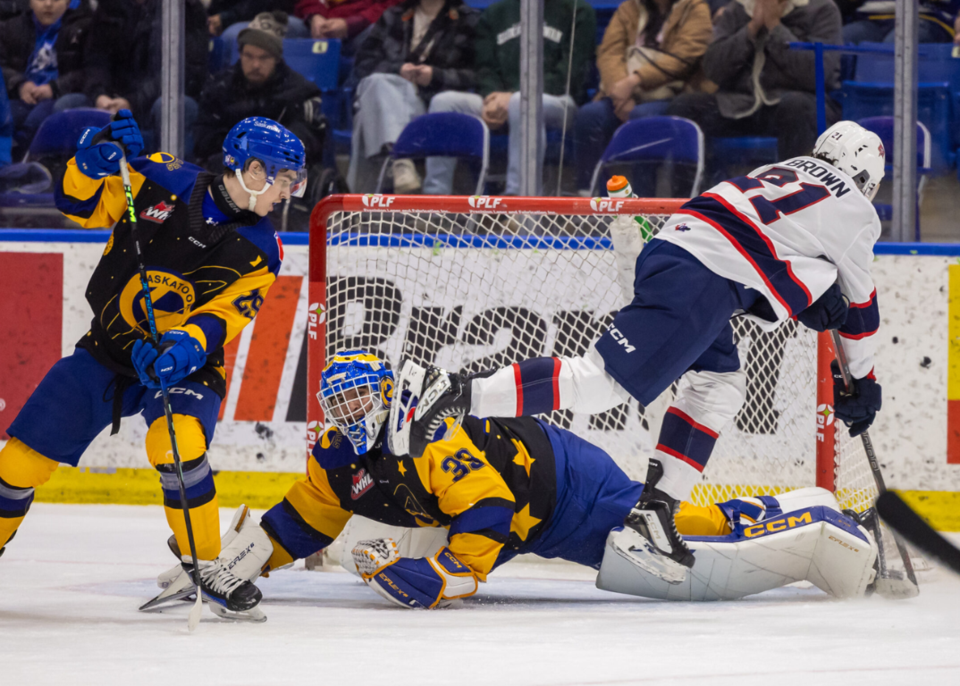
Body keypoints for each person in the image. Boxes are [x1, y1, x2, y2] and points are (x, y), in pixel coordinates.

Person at [391, 119, 886, 585]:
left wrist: (811, 290)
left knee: (719, 385)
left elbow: (776, 245)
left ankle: (656, 509)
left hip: (677, 250)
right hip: (707, 277)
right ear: (864, 177)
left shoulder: (780, 171)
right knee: (601, 383)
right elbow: (861, 308)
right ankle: (453, 392)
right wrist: (863, 382)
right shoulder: (857, 210)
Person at [152, 350, 879, 610]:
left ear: (382, 397)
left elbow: (490, 511)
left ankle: (821, 519)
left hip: (568, 492)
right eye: (335, 404)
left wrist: (453, 578)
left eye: (357, 400)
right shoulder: (339, 453)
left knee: (680, 558)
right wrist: (230, 566)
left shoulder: (429, 435)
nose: (345, 414)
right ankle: (805, 515)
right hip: (530, 506)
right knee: (371, 543)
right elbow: (305, 516)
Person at [0, 113, 306, 619]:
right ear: (254, 171)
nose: (288, 192)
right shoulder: (159, 178)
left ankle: (206, 564)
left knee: (176, 444)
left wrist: (180, 350)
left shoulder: (261, 249)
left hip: (184, 367)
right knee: (17, 465)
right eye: (284, 179)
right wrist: (89, 162)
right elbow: (77, 205)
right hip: (107, 351)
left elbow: (222, 318)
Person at [422, 0, 596, 196]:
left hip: (560, 101)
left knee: (521, 102)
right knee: (445, 102)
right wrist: (491, 98)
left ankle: (519, 200)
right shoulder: (496, 12)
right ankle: (434, 199)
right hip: (503, 99)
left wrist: (512, 95)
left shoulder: (578, 11)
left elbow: (570, 74)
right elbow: (485, 66)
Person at [666, 0, 842, 163]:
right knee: (684, 106)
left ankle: (795, 189)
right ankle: (690, 192)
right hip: (738, 105)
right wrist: (752, 27)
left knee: (798, 106)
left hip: (791, 105)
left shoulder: (822, 9)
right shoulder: (738, 9)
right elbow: (713, 70)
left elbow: (816, 74)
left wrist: (774, 26)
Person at [574, 0, 712, 194]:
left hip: (671, 94)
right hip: (624, 94)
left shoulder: (695, 9)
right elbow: (609, 54)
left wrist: (635, 81)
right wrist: (621, 92)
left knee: (643, 119)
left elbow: (683, 59)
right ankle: (589, 195)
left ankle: (642, 199)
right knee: (589, 116)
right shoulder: (628, 9)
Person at [346, 0, 479, 192]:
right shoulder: (392, 16)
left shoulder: (468, 20)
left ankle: (360, 201)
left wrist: (435, 76)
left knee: (366, 115)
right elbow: (363, 64)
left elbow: (476, 75)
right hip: (388, 99)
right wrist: (397, 70)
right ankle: (401, 164)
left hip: (433, 106)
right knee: (376, 82)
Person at [63, 0, 208, 156]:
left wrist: (133, 102)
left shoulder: (185, 7)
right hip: (114, 97)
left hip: (157, 98)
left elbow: (186, 69)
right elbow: (95, 61)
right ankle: (70, 176)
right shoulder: (109, 7)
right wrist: (99, 95)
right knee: (67, 106)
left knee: (171, 107)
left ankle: (170, 174)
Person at [194, 11, 325, 171]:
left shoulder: (301, 91)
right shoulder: (218, 87)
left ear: (276, 59)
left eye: (264, 57)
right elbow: (203, 138)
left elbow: (308, 139)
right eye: (249, 56)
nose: (255, 64)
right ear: (240, 54)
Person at [0, 0, 93, 156]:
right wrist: (20, 84)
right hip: (22, 97)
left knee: (37, 121)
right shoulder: (11, 27)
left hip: (59, 97)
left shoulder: (84, 27)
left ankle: (25, 167)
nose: (48, 4)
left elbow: (90, 71)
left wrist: (55, 88)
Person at [295, 0, 403, 55]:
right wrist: (315, 16)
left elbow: (392, 7)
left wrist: (349, 24)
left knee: (376, 31)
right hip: (320, 26)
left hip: (360, 30)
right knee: (287, 25)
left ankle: (353, 92)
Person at [843, 0, 960, 44]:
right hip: (871, 17)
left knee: (896, 44)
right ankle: (831, 98)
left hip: (925, 17)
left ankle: (886, 98)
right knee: (841, 39)